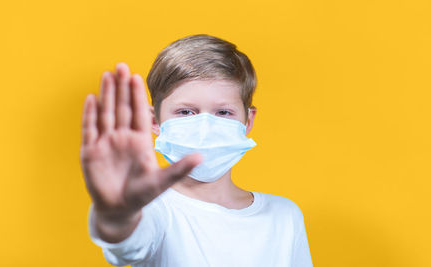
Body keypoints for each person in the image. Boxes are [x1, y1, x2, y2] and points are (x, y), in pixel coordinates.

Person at [80, 34, 312, 266]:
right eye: (185, 112)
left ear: (247, 121)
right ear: (154, 121)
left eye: (223, 113)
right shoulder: (152, 211)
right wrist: (116, 215)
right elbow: (127, 245)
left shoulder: (285, 215)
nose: (204, 128)